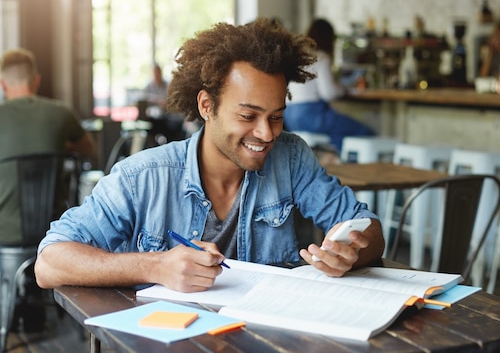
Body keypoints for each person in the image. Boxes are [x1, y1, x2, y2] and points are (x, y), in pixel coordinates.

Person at [35, 18, 385, 294]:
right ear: (207, 106)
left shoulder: (290, 157)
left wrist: (353, 252)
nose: (266, 134)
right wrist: (154, 266)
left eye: (276, 116)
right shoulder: (143, 177)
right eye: (248, 116)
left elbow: (367, 228)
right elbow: (49, 263)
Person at [0, 47, 94, 331]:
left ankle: (11, 307)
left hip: (5, 231)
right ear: (36, 80)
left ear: (3, 85)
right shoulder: (61, 113)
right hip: (52, 228)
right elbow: (90, 151)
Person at [283, 18, 374, 153]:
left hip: (289, 116)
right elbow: (329, 93)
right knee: (363, 132)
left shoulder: (296, 56)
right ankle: (346, 165)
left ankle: (334, 160)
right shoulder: (321, 56)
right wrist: (342, 89)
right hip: (311, 116)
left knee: (337, 132)